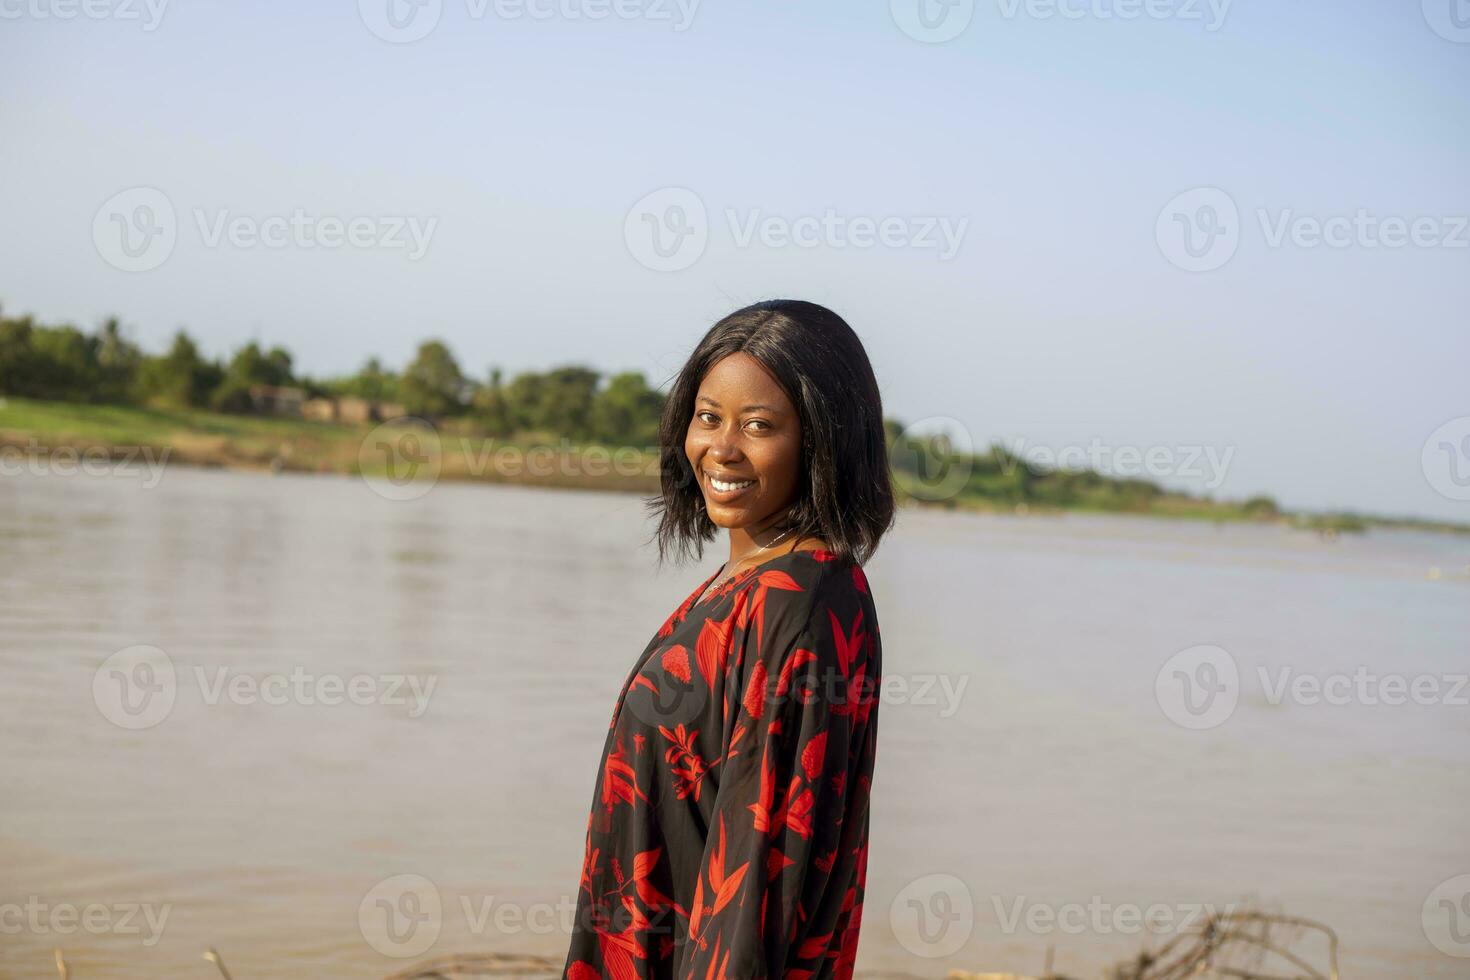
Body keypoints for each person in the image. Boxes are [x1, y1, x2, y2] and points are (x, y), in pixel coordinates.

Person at [561, 299, 895, 980]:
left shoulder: (799, 610)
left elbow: (757, 883)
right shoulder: (745, 583)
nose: (721, 447)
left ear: (824, 440)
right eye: (708, 417)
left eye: (760, 425)